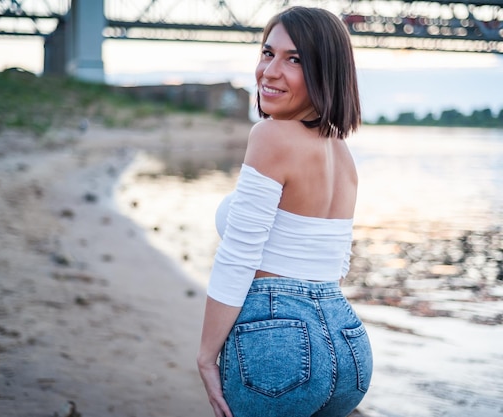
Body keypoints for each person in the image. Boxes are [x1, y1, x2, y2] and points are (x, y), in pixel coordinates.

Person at [197, 6, 373, 417]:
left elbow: (238, 255)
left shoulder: (271, 135)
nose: (270, 71)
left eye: (294, 59)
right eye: (267, 53)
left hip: (281, 343)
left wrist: (207, 355)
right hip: (348, 346)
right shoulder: (341, 153)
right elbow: (336, 264)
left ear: (325, 71)